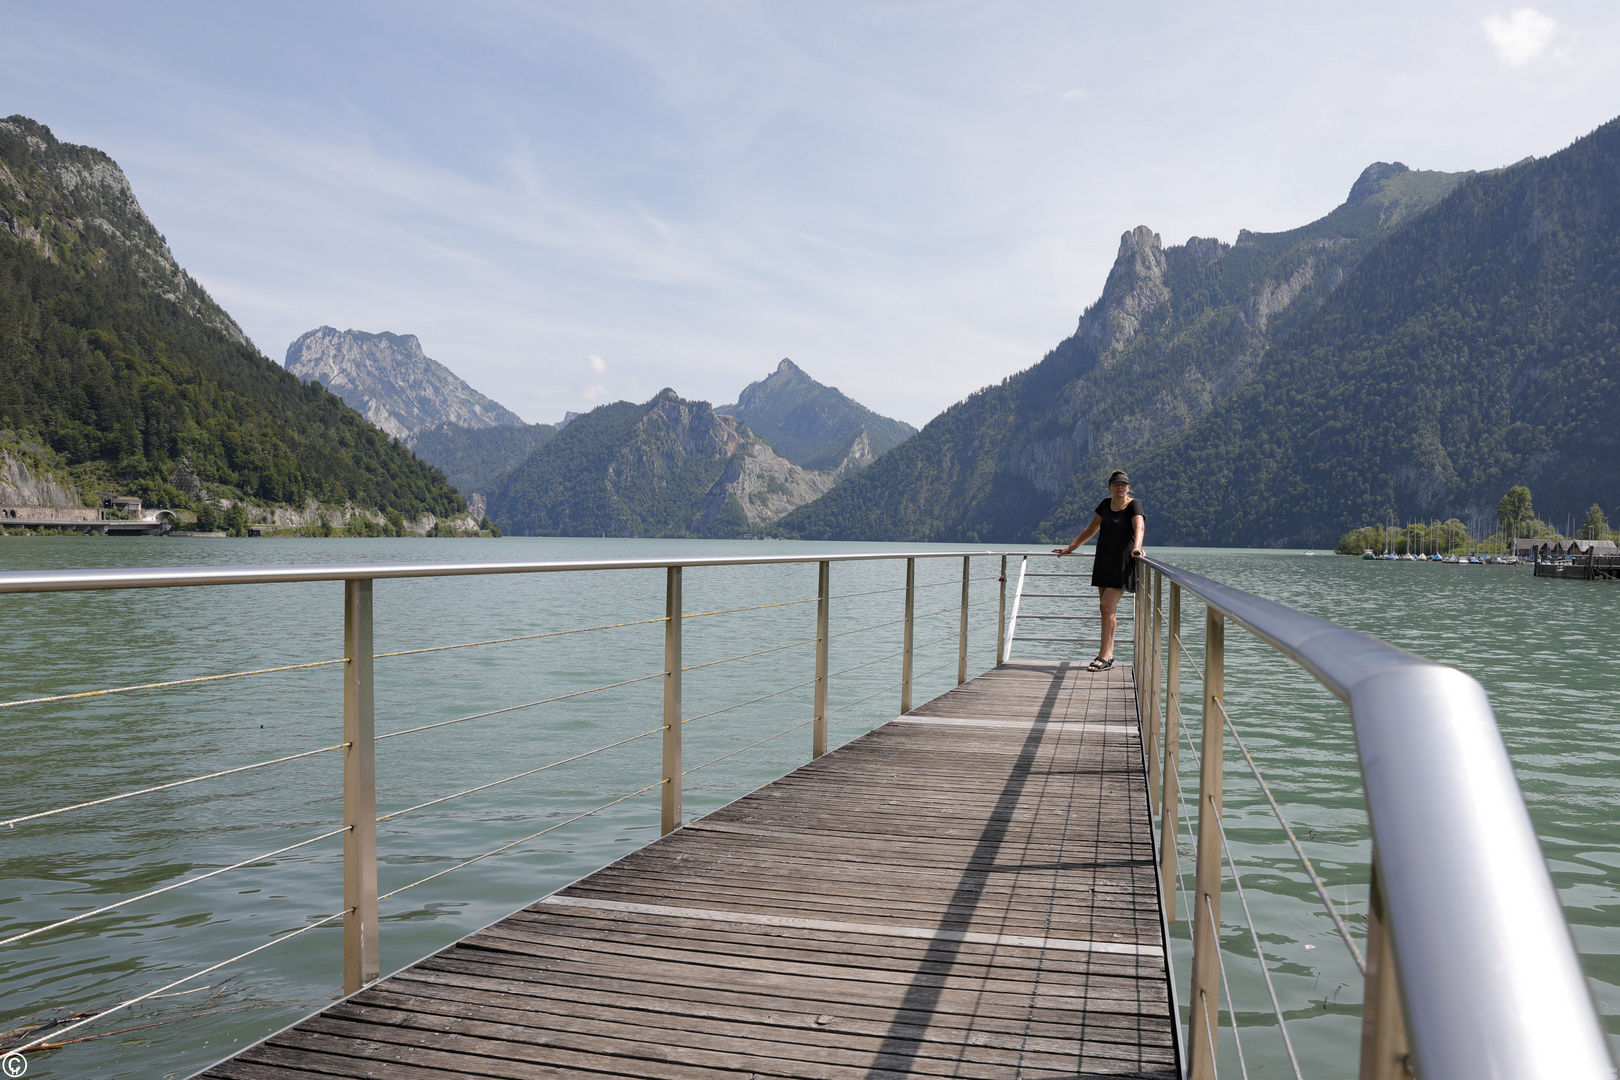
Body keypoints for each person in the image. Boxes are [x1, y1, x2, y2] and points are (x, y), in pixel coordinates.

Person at [1051, 470, 1144, 672]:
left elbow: (1140, 527)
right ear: (1110, 487)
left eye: (1124, 484)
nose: (1120, 487)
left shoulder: (1133, 504)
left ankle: (1103, 655)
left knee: (1106, 606)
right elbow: (1091, 529)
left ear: (1129, 487)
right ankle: (1109, 656)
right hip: (1103, 561)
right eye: (1116, 484)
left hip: (1122, 562)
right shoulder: (1105, 504)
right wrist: (1070, 547)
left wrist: (1137, 547)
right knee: (1107, 610)